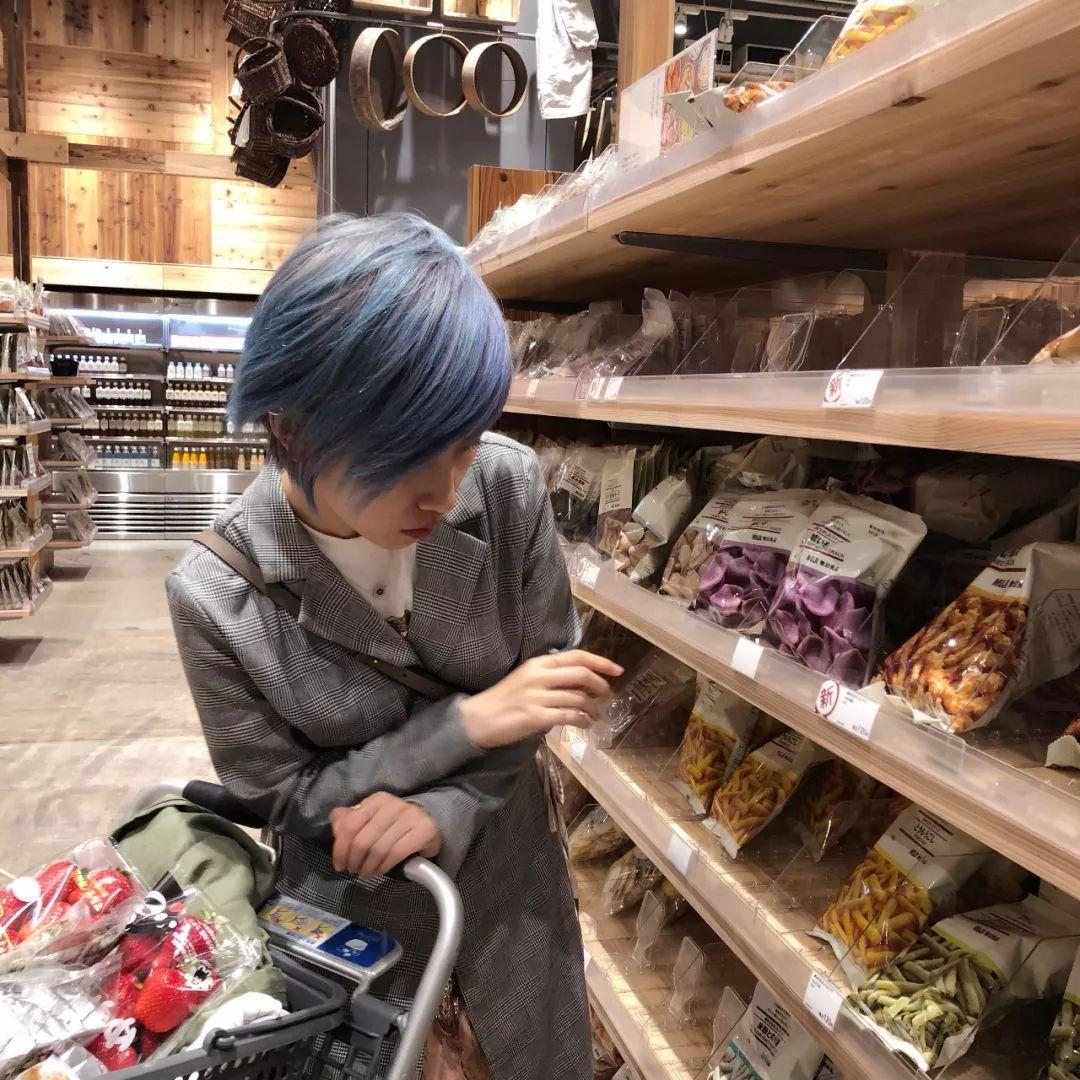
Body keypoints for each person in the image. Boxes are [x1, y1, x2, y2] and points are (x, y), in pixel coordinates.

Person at [166, 213, 620, 1080]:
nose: (445, 491)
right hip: (355, 930)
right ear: (291, 425)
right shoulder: (217, 594)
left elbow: (547, 688)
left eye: (464, 442)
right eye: (409, 453)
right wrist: (465, 724)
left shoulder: (505, 486)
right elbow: (284, 800)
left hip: (514, 896)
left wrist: (448, 804)